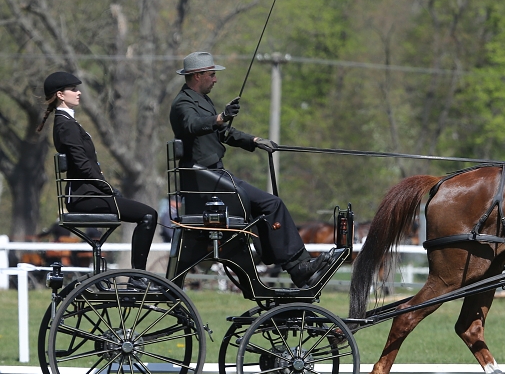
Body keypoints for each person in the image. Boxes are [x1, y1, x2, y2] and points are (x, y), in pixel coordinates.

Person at [169, 51, 335, 288]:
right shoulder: (182, 103)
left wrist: (255, 141)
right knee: (260, 203)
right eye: (212, 74)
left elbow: (223, 133)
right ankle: (293, 265)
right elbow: (192, 125)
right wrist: (220, 117)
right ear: (197, 76)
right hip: (204, 182)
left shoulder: (202, 101)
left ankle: (298, 266)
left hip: (215, 177)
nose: (215, 79)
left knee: (271, 204)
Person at [38, 71, 158, 287]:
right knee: (148, 215)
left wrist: (106, 189)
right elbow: (83, 166)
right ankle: (137, 277)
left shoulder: (67, 122)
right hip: (85, 197)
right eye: (73, 89)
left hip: (88, 194)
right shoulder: (65, 125)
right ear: (60, 95)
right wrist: (108, 189)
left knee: (146, 213)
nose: (78, 92)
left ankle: (135, 276)